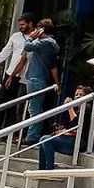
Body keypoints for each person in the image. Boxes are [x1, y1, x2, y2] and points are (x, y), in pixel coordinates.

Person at [0, 12, 34, 131]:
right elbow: (5, 52)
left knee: (15, 108)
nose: (21, 27)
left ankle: (9, 133)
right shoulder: (16, 37)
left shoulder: (37, 38)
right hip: (11, 74)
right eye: (20, 25)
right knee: (1, 103)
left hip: (26, 77)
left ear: (30, 24)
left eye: (23, 25)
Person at [20, 17, 60, 171]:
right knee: (34, 107)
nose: (35, 31)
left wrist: (31, 37)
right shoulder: (50, 43)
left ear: (42, 30)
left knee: (34, 108)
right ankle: (32, 135)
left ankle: (32, 136)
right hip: (38, 78)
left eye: (38, 28)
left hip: (36, 79)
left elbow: (27, 47)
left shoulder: (46, 43)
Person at [43, 85, 94, 170]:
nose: (78, 96)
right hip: (72, 140)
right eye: (76, 94)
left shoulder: (87, 108)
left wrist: (69, 107)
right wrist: (62, 131)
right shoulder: (76, 110)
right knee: (43, 139)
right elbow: (72, 128)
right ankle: (42, 169)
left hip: (80, 143)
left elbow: (76, 123)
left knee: (46, 140)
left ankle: (49, 170)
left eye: (81, 95)